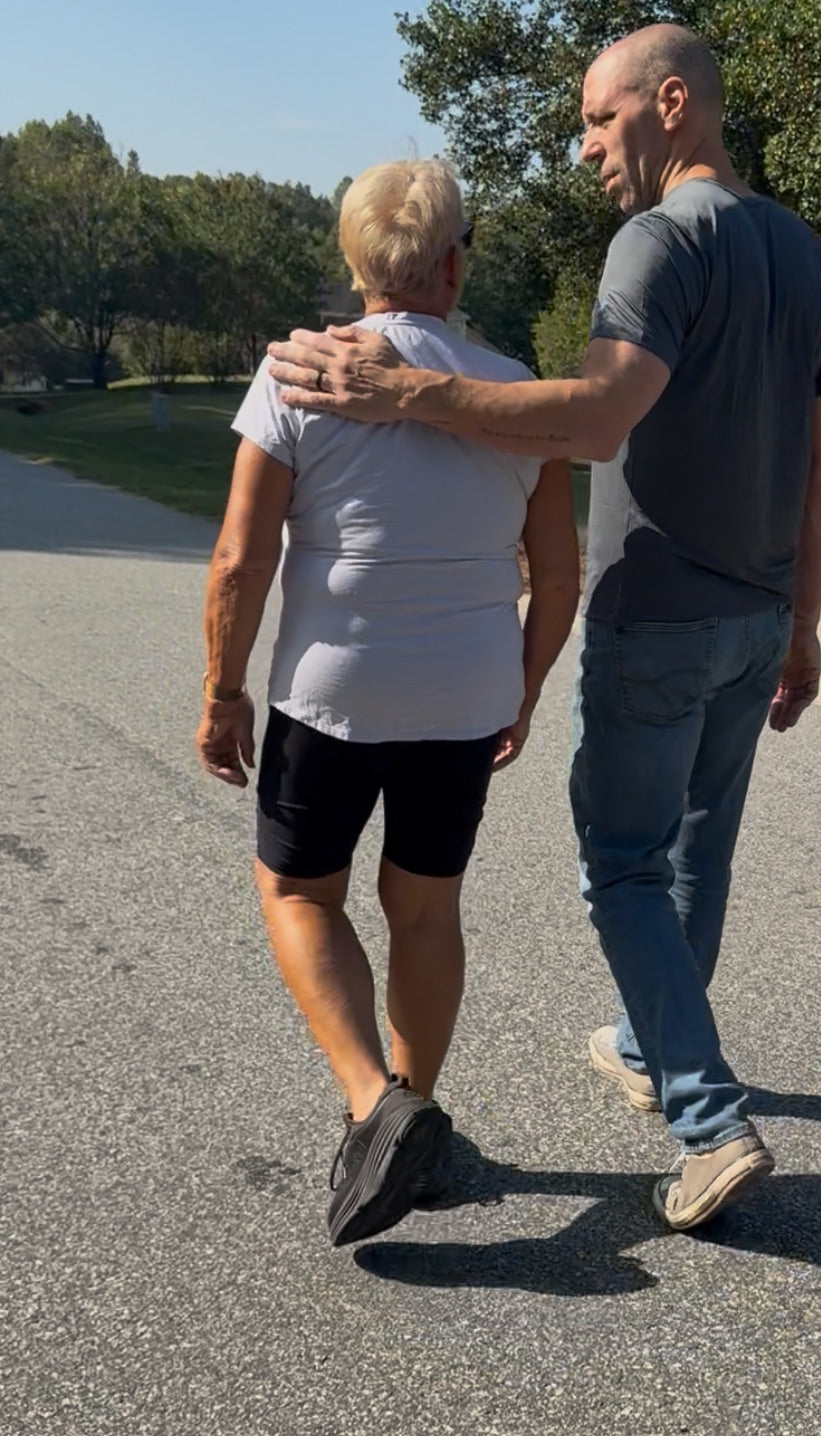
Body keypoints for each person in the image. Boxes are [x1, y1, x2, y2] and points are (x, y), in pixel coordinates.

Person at [265, 24, 821, 1232]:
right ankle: (646, 1042)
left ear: (672, 103)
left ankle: (711, 1118)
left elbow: (593, 418)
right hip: (754, 618)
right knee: (695, 854)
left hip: (663, 613)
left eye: (599, 116)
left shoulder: (657, 240)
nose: (586, 146)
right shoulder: (803, 253)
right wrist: (804, 624)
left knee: (628, 868)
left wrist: (404, 389)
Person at [196, 158, 579, 1247]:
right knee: (425, 907)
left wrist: (224, 689)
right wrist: (527, 682)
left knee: (298, 893)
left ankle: (376, 1103)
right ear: (456, 262)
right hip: (464, 691)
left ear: (355, 265)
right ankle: (410, 1116)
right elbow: (558, 575)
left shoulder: (297, 376)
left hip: (333, 691)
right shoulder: (516, 394)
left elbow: (238, 556)